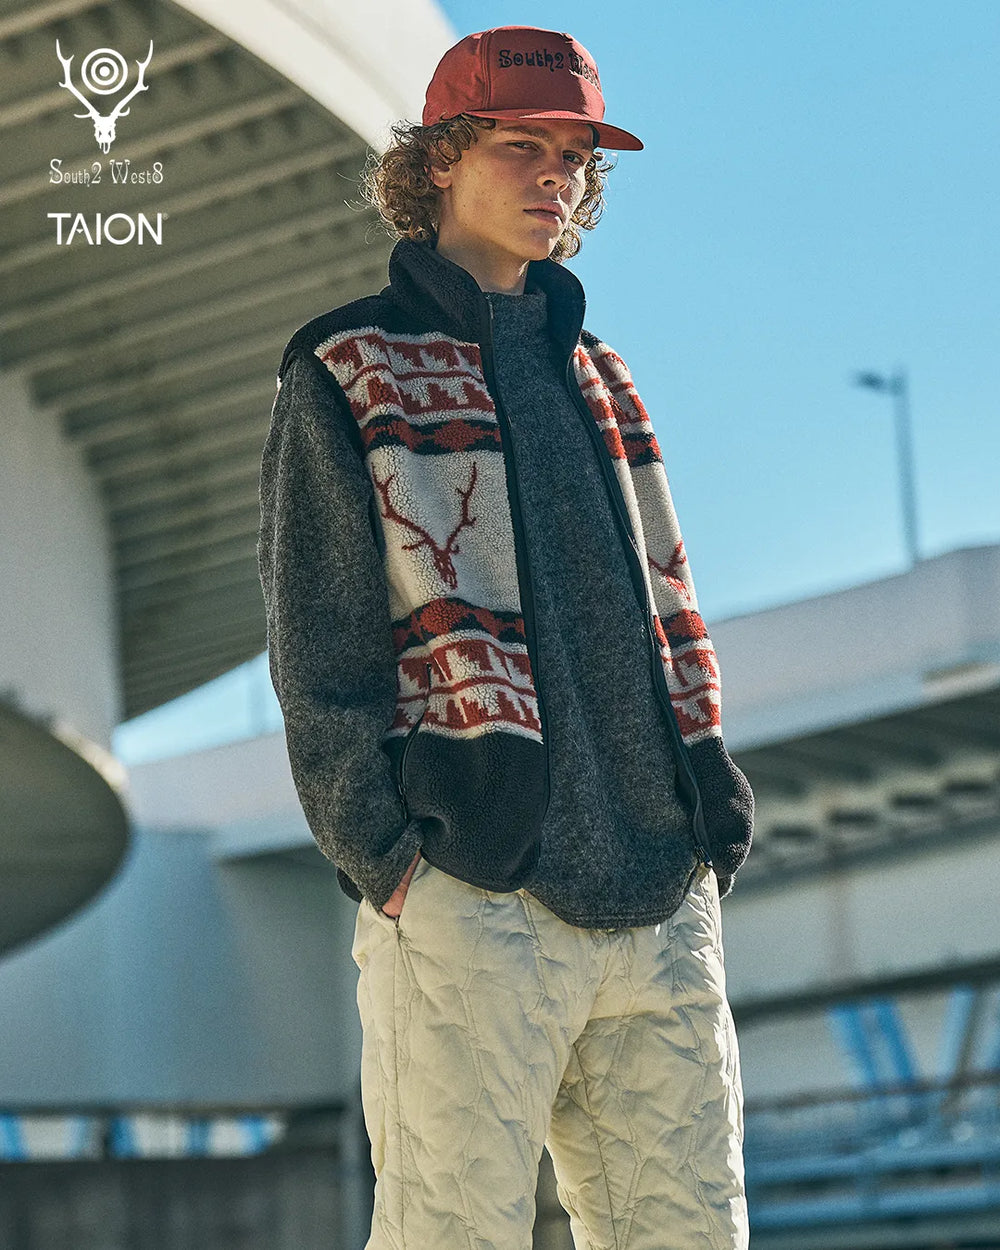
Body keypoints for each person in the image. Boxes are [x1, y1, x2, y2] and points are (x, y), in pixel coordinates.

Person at [257, 24, 754, 1250]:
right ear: (438, 159)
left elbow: (664, 608)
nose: (556, 178)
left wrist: (708, 817)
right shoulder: (350, 367)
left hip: (658, 891)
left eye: (575, 156)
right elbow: (319, 648)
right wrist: (391, 862)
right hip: (474, 898)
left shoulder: (605, 379)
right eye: (522, 146)